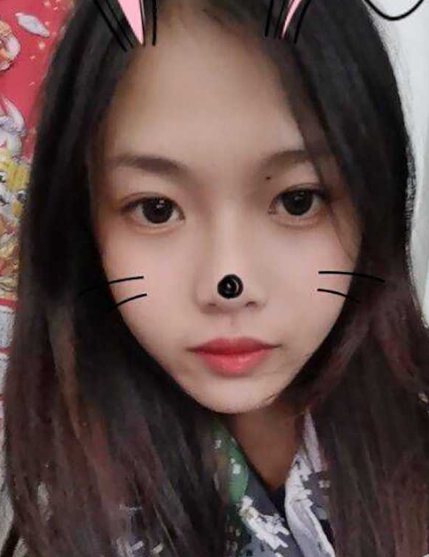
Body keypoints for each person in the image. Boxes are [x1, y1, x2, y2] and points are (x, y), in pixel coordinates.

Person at [1, 0, 429, 556]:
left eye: (297, 201)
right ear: (82, 223)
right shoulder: (72, 515)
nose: (229, 282)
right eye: (156, 209)